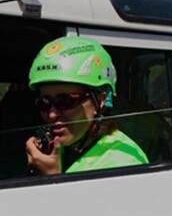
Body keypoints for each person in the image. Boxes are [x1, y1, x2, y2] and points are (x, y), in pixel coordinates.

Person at [25, 36, 148, 175]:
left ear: (100, 100)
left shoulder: (124, 161)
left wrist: (52, 177)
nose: (52, 113)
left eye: (65, 101)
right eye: (44, 103)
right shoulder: (57, 148)